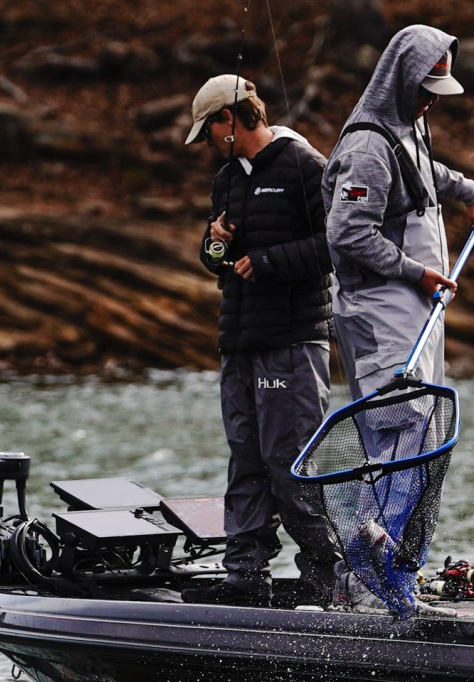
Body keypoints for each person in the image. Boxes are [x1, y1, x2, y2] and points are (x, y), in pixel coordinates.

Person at [321, 25, 474, 610]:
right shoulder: (366, 148)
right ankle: (369, 565)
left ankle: (383, 571)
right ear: (401, 81)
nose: (431, 101)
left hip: (415, 310)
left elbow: (426, 175)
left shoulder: (409, 126)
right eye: (426, 90)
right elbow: (348, 232)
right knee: (404, 423)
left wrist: (468, 191)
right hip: (380, 311)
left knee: (417, 431)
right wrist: (415, 273)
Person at [180, 74, 340, 608]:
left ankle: (332, 578)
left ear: (230, 118)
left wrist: (269, 262)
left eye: (209, 130)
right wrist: (215, 243)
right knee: (245, 459)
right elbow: (214, 262)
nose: (208, 142)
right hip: (239, 342)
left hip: (294, 342)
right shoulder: (226, 179)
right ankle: (244, 577)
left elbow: (338, 244)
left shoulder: (306, 166)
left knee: (288, 460)